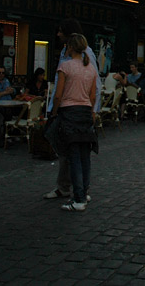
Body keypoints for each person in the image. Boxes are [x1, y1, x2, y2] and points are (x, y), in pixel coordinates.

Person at [43, 18, 102, 202]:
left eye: (61, 31)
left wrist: (93, 110)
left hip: (71, 110)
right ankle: (72, 187)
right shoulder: (66, 54)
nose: (58, 35)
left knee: (73, 153)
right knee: (72, 153)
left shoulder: (80, 58)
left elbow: (94, 87)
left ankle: (77, 191)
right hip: (79, 110)